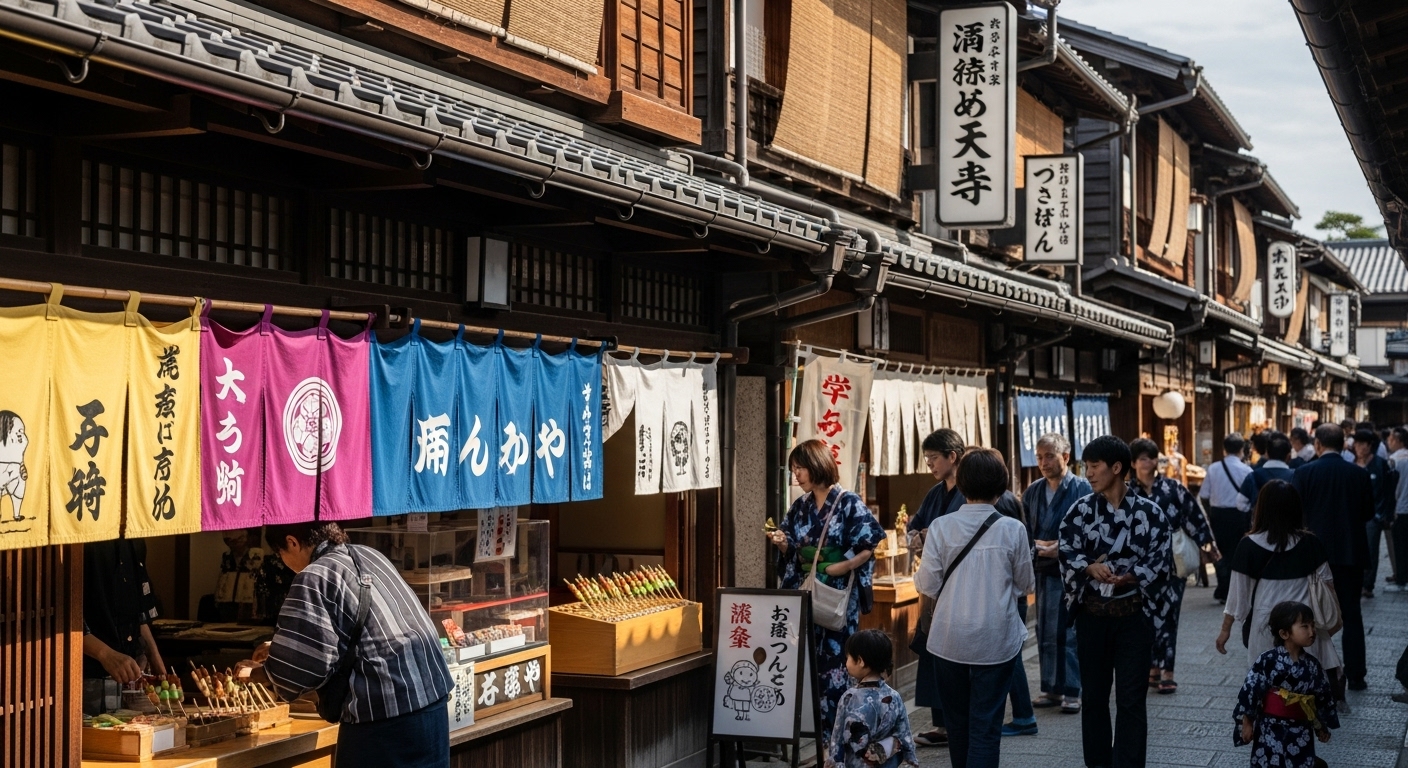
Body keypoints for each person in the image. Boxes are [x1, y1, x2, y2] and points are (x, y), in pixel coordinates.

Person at [256, 521, 452, 768]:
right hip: (432, 699)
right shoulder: (369, 554)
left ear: (291, 542)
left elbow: (300, 669)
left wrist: (260, 674)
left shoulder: (315, 575)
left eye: (280, 553)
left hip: (384, 713)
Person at [905, 429, 1027, 746]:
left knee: (961, 721)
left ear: (957, 465)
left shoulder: (950, 523)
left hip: (951, 621)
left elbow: (927, 582)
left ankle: (960, 727)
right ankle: (951, 727)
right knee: (984, 726)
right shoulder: (1012, 528)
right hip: (990, 625)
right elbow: (1025, 584)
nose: (930, 464)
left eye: (934, 458)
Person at [1059, 435, 1170, 768]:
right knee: (1093, 699)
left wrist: (1132, 575)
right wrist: (1088, 566)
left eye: (1095, 466)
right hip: (1093, 616)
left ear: (1117, 467)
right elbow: (1066, 550)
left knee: (1131, 700)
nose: (1089, 474)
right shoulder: (1080, 510)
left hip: (1133, 617)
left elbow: (1161, 560)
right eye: (1087, 467)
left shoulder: (1150, 514)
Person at [770, 439, 883, 744]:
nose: (796, 475)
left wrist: (843, 566)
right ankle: (822, 743)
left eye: (800, 468)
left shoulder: (848, 502)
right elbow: (792, 546)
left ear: (817, 466)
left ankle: (842, 740)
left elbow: (869, 545)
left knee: (838, 666)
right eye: (793, 469)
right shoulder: (801, 506)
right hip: (808, 590)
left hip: (836, 596)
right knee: (809, 667)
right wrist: (783, 544)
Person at [1215, 481, 1340, 676]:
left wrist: (1225, 630)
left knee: (1268, 685)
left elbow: (1237, 597)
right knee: (1306, 685)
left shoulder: (1248, 546)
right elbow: (1328, 587)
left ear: (1261, 509)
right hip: (1304, 627)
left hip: (1266, 628)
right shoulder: (1311, 543)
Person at [1129, 438, 1217, 695]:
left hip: (1171, 565)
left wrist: (1207, 545)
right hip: (1139, 567)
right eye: (1143, 458)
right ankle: (1152, 667)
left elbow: (1194, 517)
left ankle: (1168, 671)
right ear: (1133, 463)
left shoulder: (1172, 488)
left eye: (1153, 457)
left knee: (1169, 618)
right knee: (1144, 620)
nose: (1149, 462)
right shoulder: (1126, 492)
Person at [1292, 424, 1373, 692]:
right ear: (1344, 445)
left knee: (1312, 614)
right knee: (1352, 615)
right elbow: (1368, 513)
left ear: (1317, 444)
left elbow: (1296, 515)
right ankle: (1357, 674)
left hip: (1314, 556)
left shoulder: (1304, 473)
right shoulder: (1358, 475)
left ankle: (1317, 672)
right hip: (1351, 555)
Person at [1022, 432, 1089, 714]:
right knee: (1045, 629)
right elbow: (1022, 528)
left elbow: (1091, 530)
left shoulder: (1083, 488)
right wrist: (1036, 544)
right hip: (1042, 568)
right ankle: (1051, 687)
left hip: (1072, 571)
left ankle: (1073, 690)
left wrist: (1062, 547)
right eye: (1039, 457)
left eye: (1049, 455)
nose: (1043, 462)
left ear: (1066, 457)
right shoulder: (1033, 491)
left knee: (1070, 631)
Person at [1232, 601, 1339, 768]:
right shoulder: (1267, 660)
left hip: (1301, 729)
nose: (1312, 632)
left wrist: (1320, 726)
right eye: (1305, 626)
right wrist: (1247, 722)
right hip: (1270, 728)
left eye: (1313, 625)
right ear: (1284, 633)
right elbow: (1250, 691)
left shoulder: (1312, 665)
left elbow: (1319, 698)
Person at [82, 538, 166, 714]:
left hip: (129, 677)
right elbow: (61, 613)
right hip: (85, 674)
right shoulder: (82, 539)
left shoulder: (135, 539)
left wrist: (154, 657)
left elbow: (139, 611)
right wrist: (105, 654)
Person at [824, 629, 920, 768]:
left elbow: (837, 737)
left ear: (861, 661)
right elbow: (904, 732)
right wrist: (910, 757)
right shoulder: (894, 696)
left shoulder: (849, 698)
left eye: (849, 658)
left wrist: (835, 761)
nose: (846, 662)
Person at [1201, 433, 1253, 603]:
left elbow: (1204, 495)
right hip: (1239, 515)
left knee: (1220, 552)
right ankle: (1235, 591)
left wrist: (1210, 513)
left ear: (1224, 449)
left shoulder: (1213, 468)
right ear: (1241, 449)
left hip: (1218, 514)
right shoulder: (1247, 470)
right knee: (1237, 553)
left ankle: (1223, 588)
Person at [1353, 428, 1397, 599]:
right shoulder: (1351, 464)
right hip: (1354, 516)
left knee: (1371, 550)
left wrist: (1383, 514)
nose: (1359, 447)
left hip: (1374, 515)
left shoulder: (1380, 464)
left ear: (1370, 445)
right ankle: (1356, 581)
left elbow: (1387, 491)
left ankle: (1368, 585)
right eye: (1356, 444)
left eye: (1362, 444)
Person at [1238, 433, 1296, 509]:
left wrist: (1254, 513)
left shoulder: (1253, 475)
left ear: (1267, 454)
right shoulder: (1296, 476)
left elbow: (1240, 503)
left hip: (1261, 519)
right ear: (1289, 456)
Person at [1387, 426, 1408, 592]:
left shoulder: (1394, 460)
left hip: (1400, 509)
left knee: (1400, 547)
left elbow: (1390, 489)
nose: (1389, 442)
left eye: (1391, 439)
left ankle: (1401, 579)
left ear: (1399, 441)